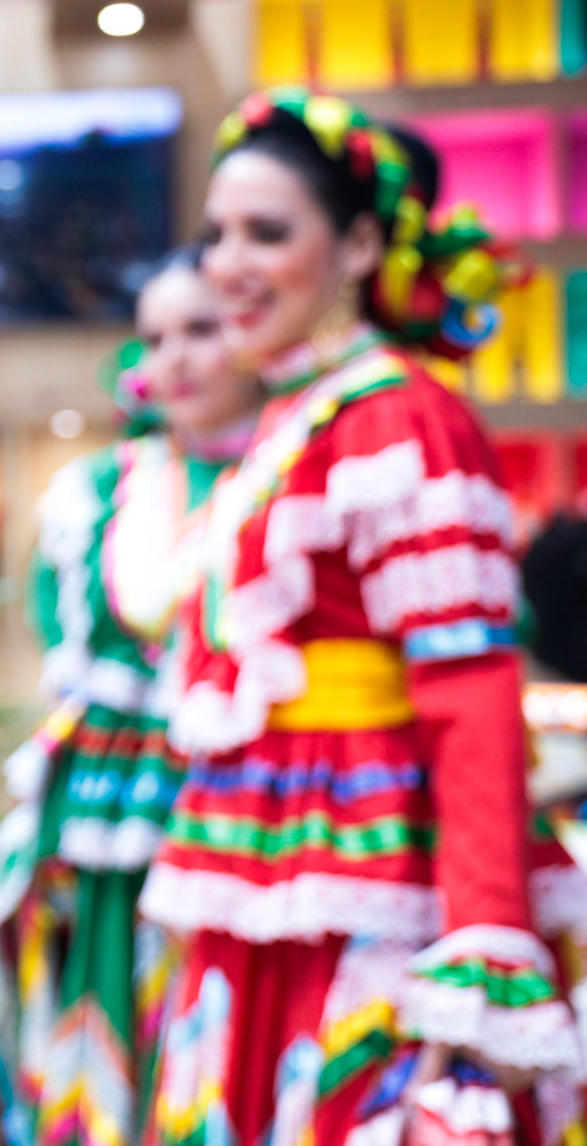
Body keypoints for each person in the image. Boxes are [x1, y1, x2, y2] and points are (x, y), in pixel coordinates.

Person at [144, 89, 587, 1146]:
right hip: (271, 854)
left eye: (265, 232)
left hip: (376, 874)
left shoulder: (398, 417)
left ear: (355, 246)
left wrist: (481, 941)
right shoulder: (299, 418)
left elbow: (467, 686)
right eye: (216, 235)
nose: (227, 265)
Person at [0, 249, 263, 1146]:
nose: (176, 358)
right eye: (156, 337)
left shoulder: (294, 477)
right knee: (90, 1032)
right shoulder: (94, 492)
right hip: (96, 812)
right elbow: (63, 643)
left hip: (240, 809)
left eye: (202, 329)